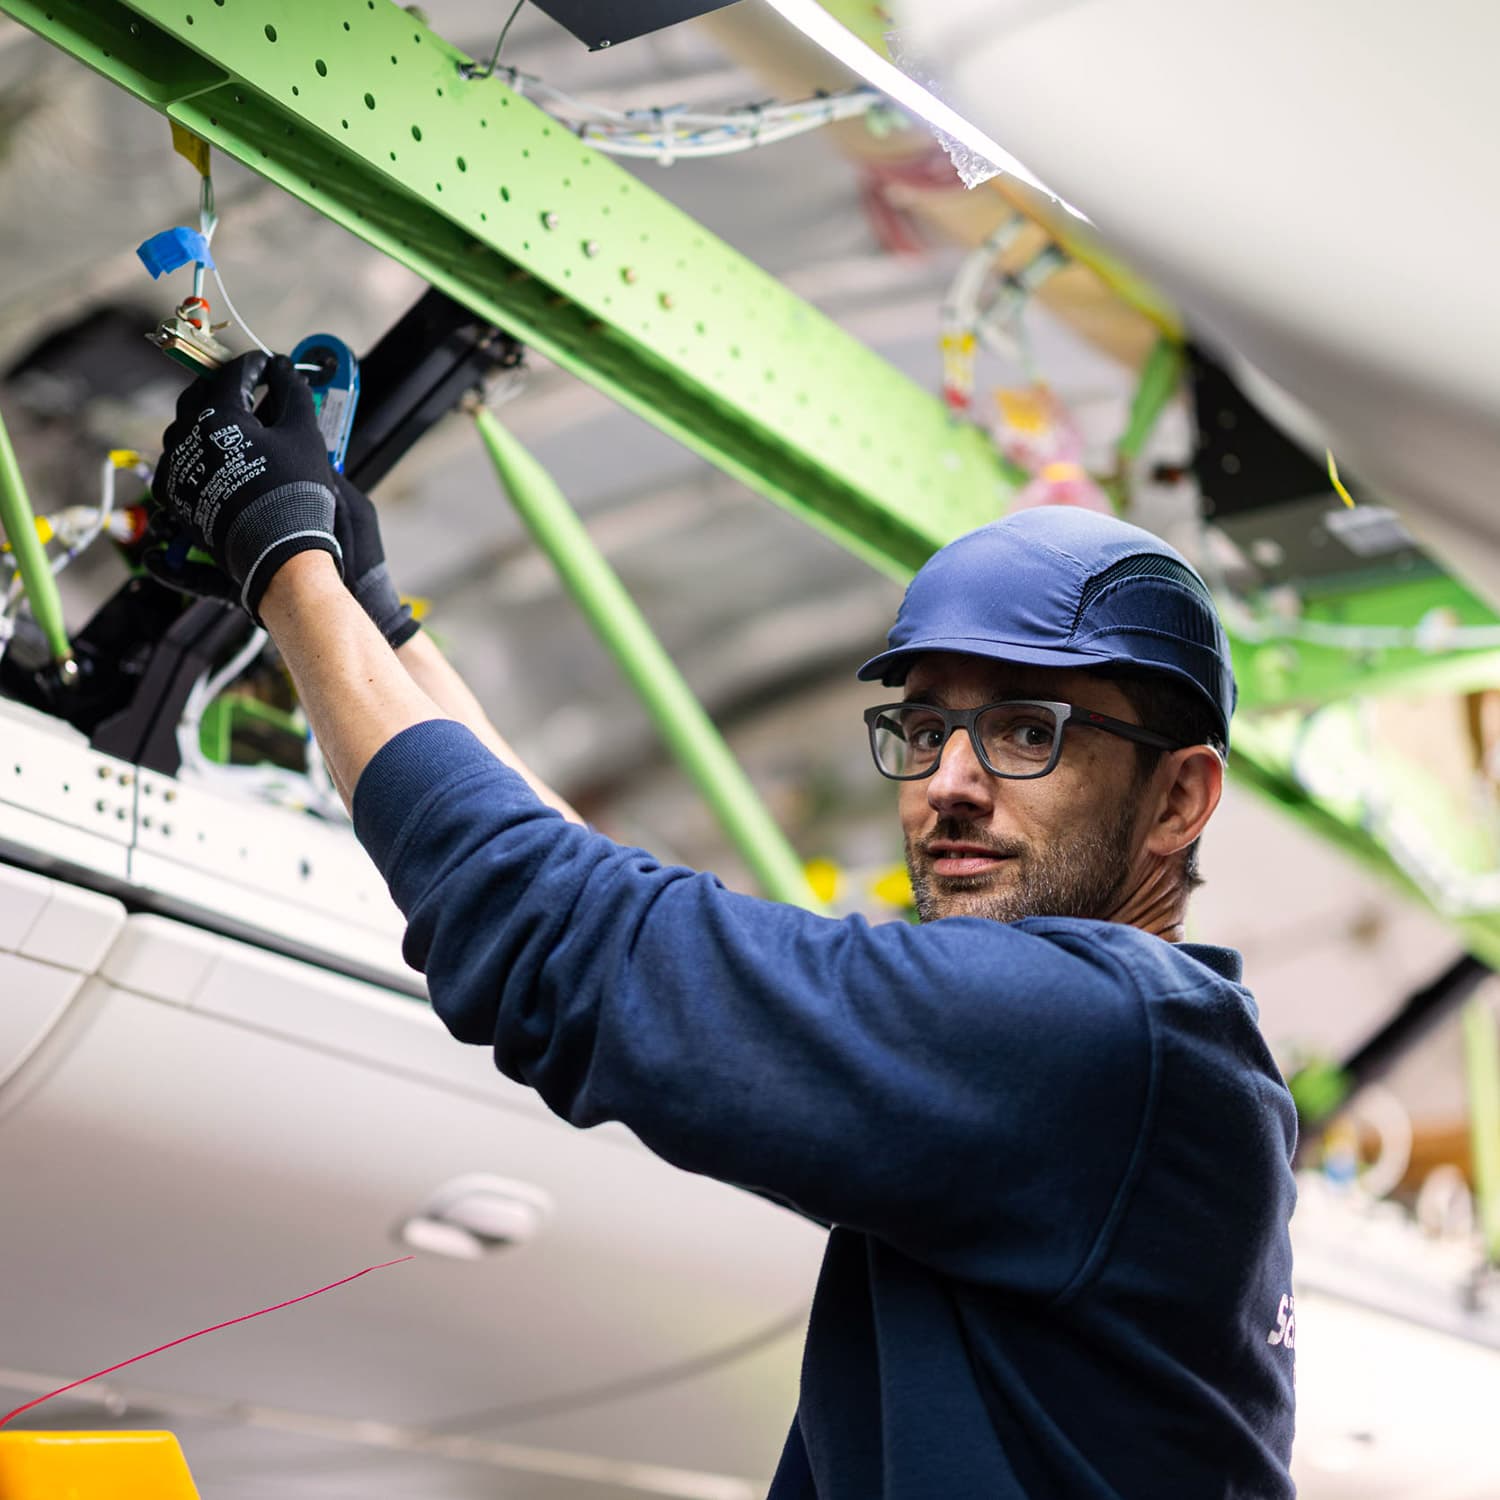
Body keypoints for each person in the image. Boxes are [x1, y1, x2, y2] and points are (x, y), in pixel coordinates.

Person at [152, 352, 1297, 1499]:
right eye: (924, 726)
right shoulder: (1134, 1072)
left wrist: (283, 560)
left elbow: (571, 939)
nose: (949, 779)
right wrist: (374, 616)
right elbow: (600, 897)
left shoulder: (1098, 1033)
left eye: (1024, 731)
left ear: (1180, 798)